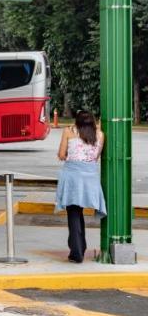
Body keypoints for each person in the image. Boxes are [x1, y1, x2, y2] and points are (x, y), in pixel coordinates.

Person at [55, 110, 105, 263]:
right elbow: (95, 157)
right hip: (90, 178)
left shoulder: (69, 131)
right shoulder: (100, 135)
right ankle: (79, 247)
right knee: (78, 212)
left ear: (76, 122)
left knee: (74, 212)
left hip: (73, 177)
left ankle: (76, 251)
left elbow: (61, 154)